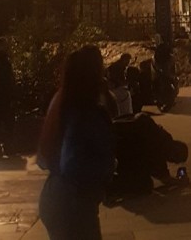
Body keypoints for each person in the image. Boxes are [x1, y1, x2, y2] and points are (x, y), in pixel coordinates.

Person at [38, 44, 115, 240]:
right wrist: (107, 168)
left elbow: (43, 158)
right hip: (74, 204)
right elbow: (72, 163)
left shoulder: (61, 101)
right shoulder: (85, 113)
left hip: (55, 197)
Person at [105, 53, 133, 118]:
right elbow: (116, 78)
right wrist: (121, 83)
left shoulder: (117, 66)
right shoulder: (119, 67)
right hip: (117, 87)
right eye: (128, 60)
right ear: (124, 59)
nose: (128, 62)